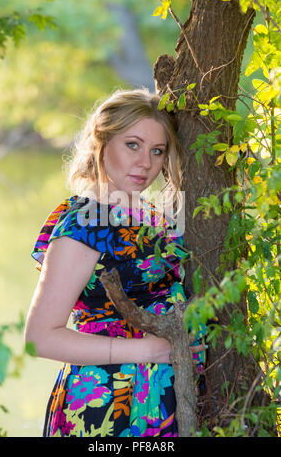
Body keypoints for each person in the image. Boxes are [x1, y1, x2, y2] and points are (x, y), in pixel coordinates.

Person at [24, 88, 206, 438]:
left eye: (158, 151)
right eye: (133, 145)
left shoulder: (148, 215)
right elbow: (39, 338)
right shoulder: (86, 222)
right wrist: (149, 349)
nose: (146, 164)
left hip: (162, 398)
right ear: (102, 142)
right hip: (108, 407)